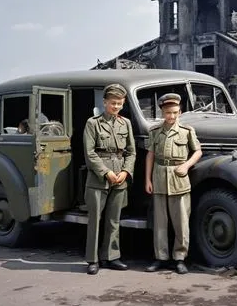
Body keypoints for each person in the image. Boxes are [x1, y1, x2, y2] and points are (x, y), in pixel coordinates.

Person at [145, 93, 202, 274]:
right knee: (160, 222)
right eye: (168, 113)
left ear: (180, 112)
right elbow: (150, 155)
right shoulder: (155, 132)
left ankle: (180, 258)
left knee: (181, 222)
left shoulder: (187, 131)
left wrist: (186, 165)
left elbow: (198, 151)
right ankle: (160, 258)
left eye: (175, 113)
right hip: (160, 177)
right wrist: (147, 179)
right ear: (163, 112)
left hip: (179, 178)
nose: (171, 116)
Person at [83, 83, 136, 275]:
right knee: (95, 220)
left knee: (114, 220)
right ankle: (93, 259)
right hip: (98, 179)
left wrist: (125, 172)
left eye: (120, 104)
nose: (116, 107)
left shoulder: (126, 124)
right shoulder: (92, 123)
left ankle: (111, 256)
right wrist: (106, 172)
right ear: (104, 102)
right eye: (113, 103)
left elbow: (131, 152)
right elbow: (89, 153)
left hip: (120, 177)